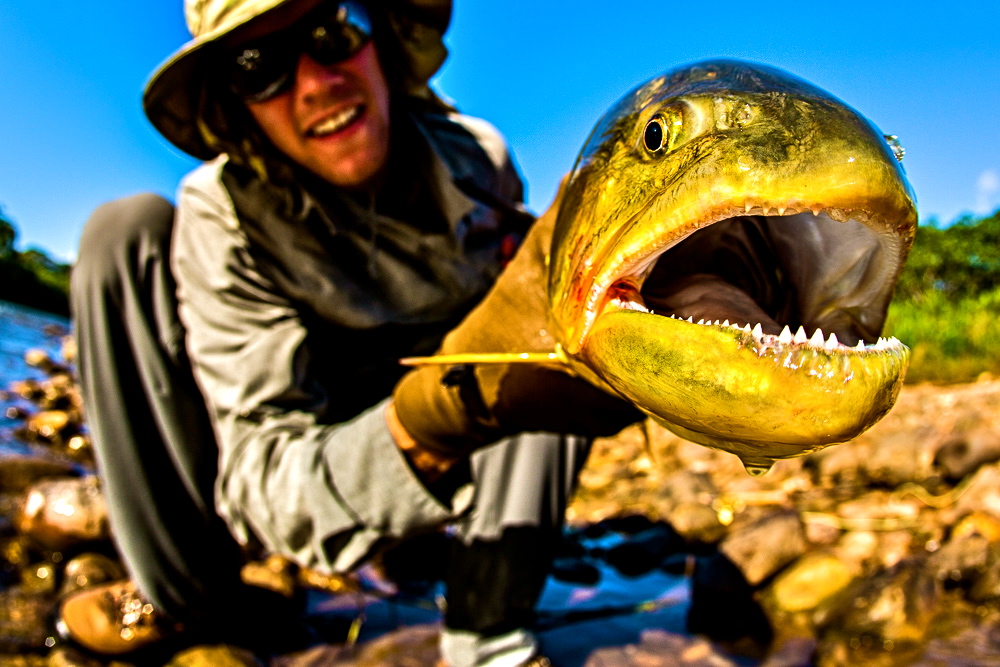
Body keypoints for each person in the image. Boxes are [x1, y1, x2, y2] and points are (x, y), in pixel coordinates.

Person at [62, 1, 640, 665]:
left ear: (384, 35)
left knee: (556, 326)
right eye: (259, 67)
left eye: (332, 33)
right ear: (235, 100)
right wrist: (431, 417)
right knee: (121, 233)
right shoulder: (219, 216)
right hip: (336, 424)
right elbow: (263, 481)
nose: (314, 82)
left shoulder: (480, 158)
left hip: (460, 421)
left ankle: (490, 630)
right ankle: (185, 595)